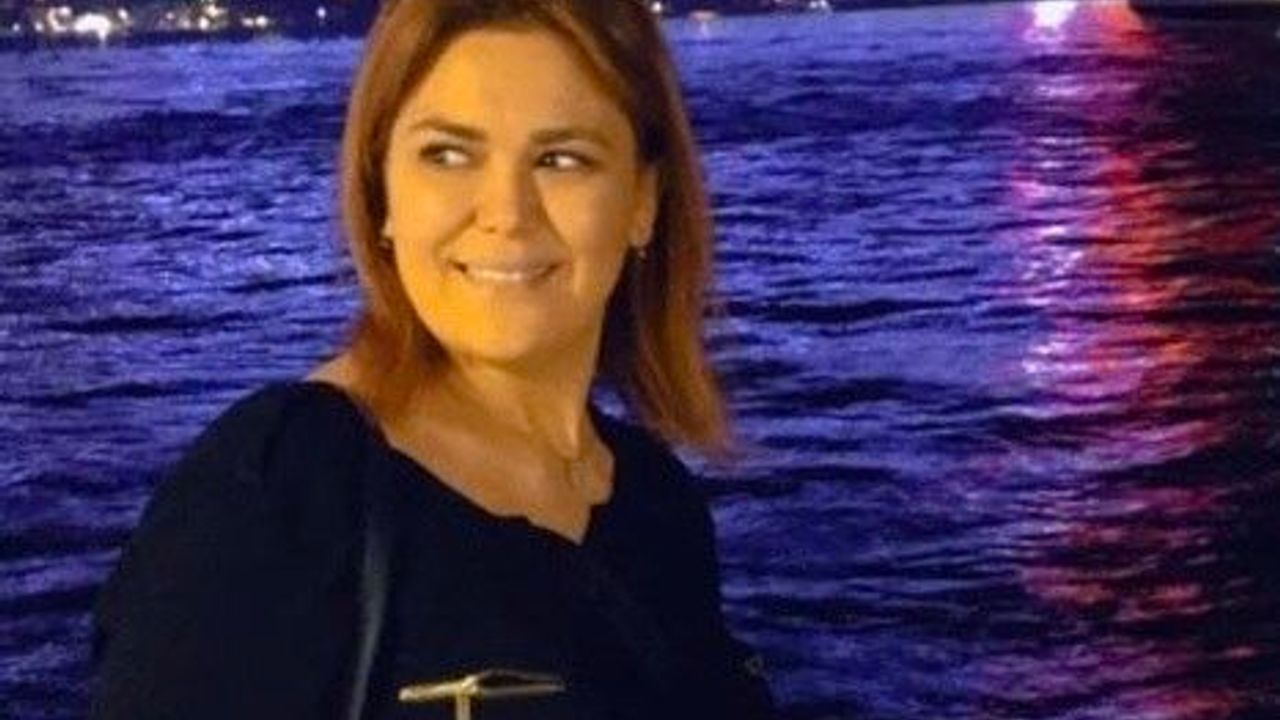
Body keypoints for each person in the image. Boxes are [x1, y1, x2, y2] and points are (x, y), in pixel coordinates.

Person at [88, 0, 778, 718]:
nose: (505, 212)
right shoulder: (282, 495)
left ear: (642, 201)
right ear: (382, 190)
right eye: (448, 154)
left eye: (561, 159)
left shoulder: (655, 503)